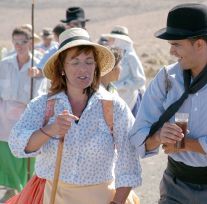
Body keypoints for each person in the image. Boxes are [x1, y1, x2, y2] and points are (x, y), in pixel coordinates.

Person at [129, 3, 207, 203]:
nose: (171, 52)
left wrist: (186, 144)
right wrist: (157, 137)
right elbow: (136, 137)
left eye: (176, 44)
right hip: (175, 188)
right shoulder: (165, 78)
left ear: (199, 44)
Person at [8, 28, 141, 204]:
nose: (83, 69)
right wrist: (51, 129)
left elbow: (129, 160)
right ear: (62, 68)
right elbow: (17, 145)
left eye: (89, 62)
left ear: (96, 67)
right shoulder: (43, 105)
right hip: (53, 196)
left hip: (102, 198)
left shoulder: (114, 106)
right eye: (75, 62)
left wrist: (118, 202)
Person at [0, 26, 43, 202]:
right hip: (4, 117)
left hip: (27, 116)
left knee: (25, 152)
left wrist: (38, 75)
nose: (19, 46)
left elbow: (41, 95)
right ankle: (11, 188)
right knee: (5, 152)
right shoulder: (4, 64)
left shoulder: (39, 65)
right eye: (16, 42)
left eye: (23, 42)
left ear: (30, 43)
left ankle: (25, 191)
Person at [102, 26, 146, 116]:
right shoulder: (114, 57)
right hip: (116, 98)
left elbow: (141, 80)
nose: (109, 41)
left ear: (119, 40)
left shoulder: (131, 56)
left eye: (111, 38)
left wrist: (122, 86)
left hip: (131, 100)